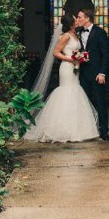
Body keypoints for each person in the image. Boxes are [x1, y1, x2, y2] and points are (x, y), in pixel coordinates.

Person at [24, 13, 99, 142]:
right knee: (67, 91)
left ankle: (76, 130)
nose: (77, 21)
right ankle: (61, 129)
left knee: (75, 91)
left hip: (75, 67)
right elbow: (56, 52)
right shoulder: (65, 36)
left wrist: (81, 57)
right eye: (75, 20)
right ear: (70, 23)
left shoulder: (75, 34)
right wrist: (71, 59)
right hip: (67, 67)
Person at [75, 7, 109, 140]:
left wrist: (102, 73)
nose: (78, 19)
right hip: (83, 73)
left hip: (96, 73)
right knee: (84, 103)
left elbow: (106, 54)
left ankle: (104, 131)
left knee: (100, 102)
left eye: (80, 17)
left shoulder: (99, 32)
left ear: (87, 18)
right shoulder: (77, 32)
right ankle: (87, 131)